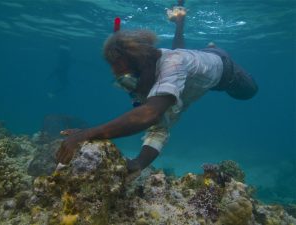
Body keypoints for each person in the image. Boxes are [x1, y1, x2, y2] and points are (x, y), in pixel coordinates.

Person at [56, 1, 258, 177]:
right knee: (179, 53)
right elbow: (158, 126)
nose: (130, 87)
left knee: (249, 92)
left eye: (129, 77)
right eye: (122, 81)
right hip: (190, 62)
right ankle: (181, 21)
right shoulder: (153, 69)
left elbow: (150, 114)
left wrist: (88, 134)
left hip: (226, 71)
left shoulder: (172, 67)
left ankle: (213, 47)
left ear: (143, 63)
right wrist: (139, 163)